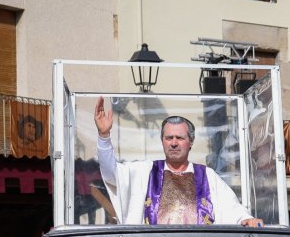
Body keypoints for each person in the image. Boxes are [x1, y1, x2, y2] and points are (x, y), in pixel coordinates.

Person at [93, 97, 263, 227]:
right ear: (162, 141)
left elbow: (231, 208)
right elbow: (111, 173)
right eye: (169, 138)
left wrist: (246, 219)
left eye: (179, 138)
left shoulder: (206, 176)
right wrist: (104, 136)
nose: (173, 143)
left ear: (191, 142)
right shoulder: (145, 172)